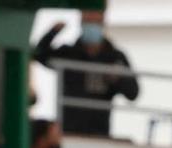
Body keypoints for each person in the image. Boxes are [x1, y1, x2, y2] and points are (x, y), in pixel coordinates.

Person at [35, 9, 139, 138]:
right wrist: (53, 32)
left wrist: (118, 79)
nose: (91, 26)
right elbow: (39, 55)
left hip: (99, 133)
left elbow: (133, 93)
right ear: (81, 23)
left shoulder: (115, 58)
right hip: (69, 131)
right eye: (87, 21)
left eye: (95, 22)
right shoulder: (69, 54)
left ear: (102, 23)